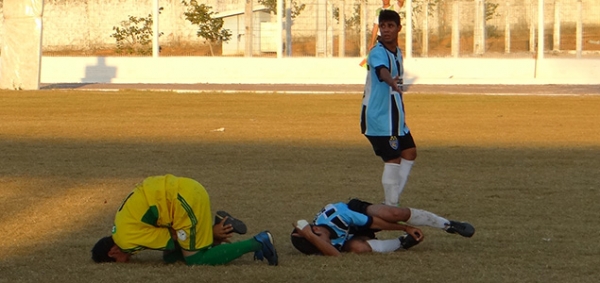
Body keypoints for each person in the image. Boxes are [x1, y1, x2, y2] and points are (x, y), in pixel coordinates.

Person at [91, 174, 278, 266]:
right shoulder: (120, 225)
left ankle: (258, 242)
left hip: (184, 202)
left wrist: (210, 235)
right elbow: (171, 247)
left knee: (195, 260)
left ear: (113, 252)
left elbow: (172, 237)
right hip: (186, 192)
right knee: (171, 258)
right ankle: (215, 229)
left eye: (121, 261)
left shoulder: (126, 241)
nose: (128, 261)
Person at [291, 198, 474, 256]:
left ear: (316, 228)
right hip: (353, 234)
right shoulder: (317, 239)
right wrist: (311, 236)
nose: (327, 245)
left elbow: (375, 223)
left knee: (393, 215)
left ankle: (447, 224)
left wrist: (405, 227)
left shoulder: (336, 215)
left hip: (357, 212)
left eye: (321, 241)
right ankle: (402, 243)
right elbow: (336, 255)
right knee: (357, 248)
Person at [361, 9, 414, 207]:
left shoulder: (398, 52)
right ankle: (391, 206)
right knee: (393, 159)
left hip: (396, 119)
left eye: (390, 26)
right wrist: (390, 81)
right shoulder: (377, 52)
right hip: (378, 118)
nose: (386, 30)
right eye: (382, 26)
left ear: (398, 28)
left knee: (409, 152)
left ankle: (390, 203)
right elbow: (382, 71)